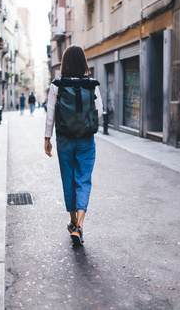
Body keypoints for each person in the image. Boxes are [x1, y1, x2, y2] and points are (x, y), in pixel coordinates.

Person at [44, 44, 103, 246]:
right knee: (83, 180)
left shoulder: (57, 85)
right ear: (83, 62)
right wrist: (84, 120)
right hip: (86, 137)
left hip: (64, 139)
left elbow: (51, 113)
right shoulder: (92, 84)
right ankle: (80, 225)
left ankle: (72, 221)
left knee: (68, 179)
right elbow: (100, 111)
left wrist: (47, 138)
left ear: (65, 62)